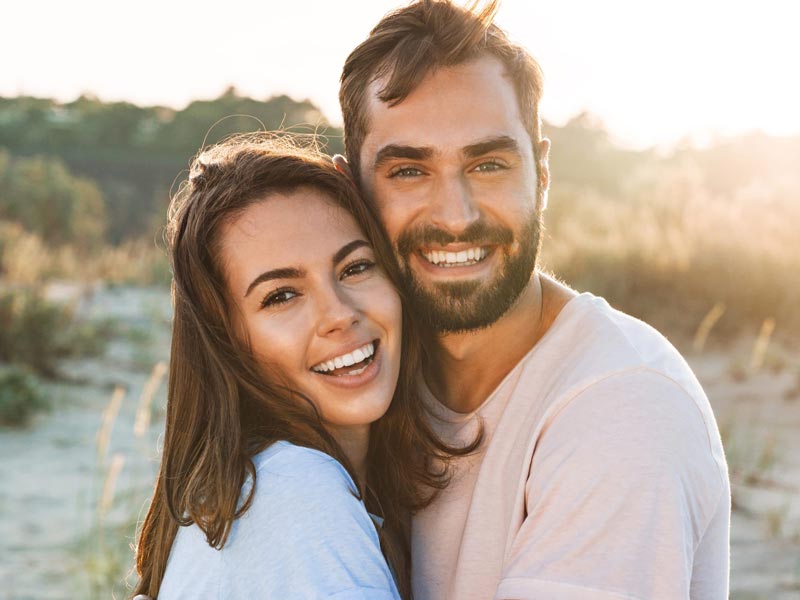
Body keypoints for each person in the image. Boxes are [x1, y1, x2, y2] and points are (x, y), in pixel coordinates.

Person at [336, 1, 731, 598]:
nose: (455, 216)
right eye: (410, 172)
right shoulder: (362, 377)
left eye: (488, 164)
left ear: (541, 175)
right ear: (351, 192)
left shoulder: (624, 410)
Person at [132, 135, 474, 599]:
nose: (339, 314)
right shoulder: (294, 492)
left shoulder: (255, 488)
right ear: (227, 341)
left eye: (355, 268)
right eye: (282, 295)